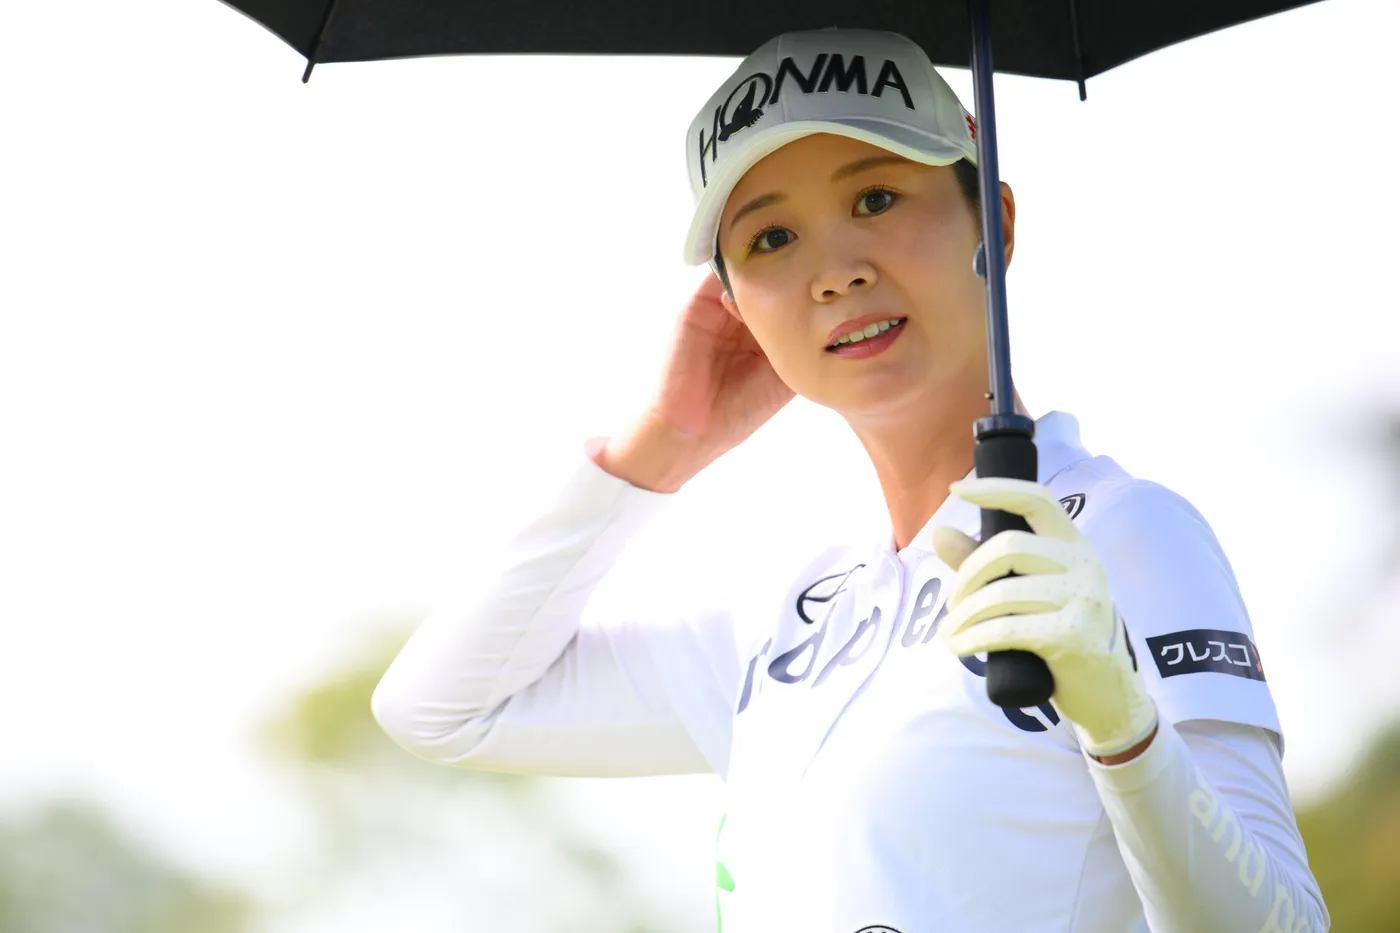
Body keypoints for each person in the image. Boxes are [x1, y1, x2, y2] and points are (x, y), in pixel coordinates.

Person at [372, 28, 1329, 933]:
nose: (834, 273)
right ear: (736, 307)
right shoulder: (788, 615)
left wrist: (1123, 724)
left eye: (875, 199)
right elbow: (441, 707)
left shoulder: (1122, 535)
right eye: (770, 240)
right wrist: (659, 447)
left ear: (992, 224)